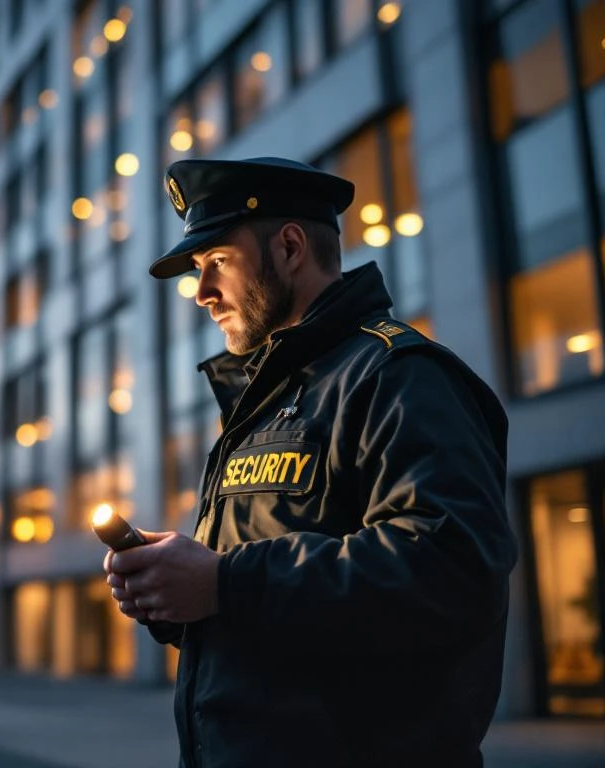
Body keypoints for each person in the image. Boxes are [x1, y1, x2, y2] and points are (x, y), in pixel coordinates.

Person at [103, 157, 517, 768]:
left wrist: (223, 582)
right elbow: (271, 606)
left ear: (291, 246)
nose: (201, 293)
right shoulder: (263, 405)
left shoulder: (396, 375)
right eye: (196, 271)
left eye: (216, 262)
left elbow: (453, 567)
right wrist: (176, 593)